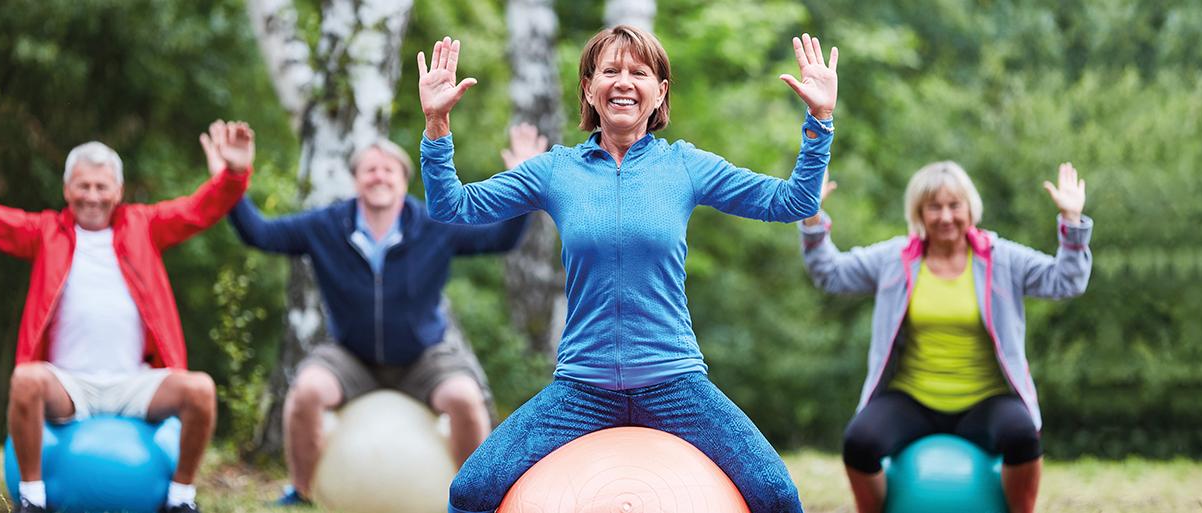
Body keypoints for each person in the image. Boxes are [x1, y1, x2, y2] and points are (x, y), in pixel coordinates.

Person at [417, 26, 839, 513]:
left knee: (776, 494)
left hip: (676, 383)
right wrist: (436, 125)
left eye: (639, 72)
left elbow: (794, 201)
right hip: (582, 389)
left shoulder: (684, 165)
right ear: (589, 89)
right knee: (469, 491)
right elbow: (452, 207)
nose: (623, 82)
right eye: (610, 70)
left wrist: (819, 119)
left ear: (659, 92)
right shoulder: (556, 171)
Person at [0, 100, 254, 513]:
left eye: (101, 187)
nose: (92, 196)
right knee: (25, 380)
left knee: (200, 390)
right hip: (70, 384)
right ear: (67, 190)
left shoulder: (145, 225)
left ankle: (181, 497)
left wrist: (234, 174)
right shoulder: (44, 232)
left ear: (118, 191)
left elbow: (201, 210)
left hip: (134, 383)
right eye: (83, 186)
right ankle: (32, 498)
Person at [219, 127, 546, 506]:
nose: (379, 176)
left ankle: (476, 501)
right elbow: (258, 233)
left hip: (422, 355)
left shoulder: (434, 225)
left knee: (465, 398)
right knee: (306, 392)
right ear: (355, 179)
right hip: (351, 355)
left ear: (404, 181)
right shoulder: (325, 226)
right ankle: (302, 493)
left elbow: (499, 239)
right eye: (370, 169)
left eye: (389, 170)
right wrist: (234, 176)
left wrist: (524, 181)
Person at [798, 162, 1091, 513]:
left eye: (955, 206)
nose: (946, 217)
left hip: (986, 400)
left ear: (970, 209)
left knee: (1023, 436)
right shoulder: (896, 259)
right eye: (934, 207)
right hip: (913, 399)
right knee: (859, 442)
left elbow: (1066, 281)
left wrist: (1072, 222)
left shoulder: (1002, 259)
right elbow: (830, 273)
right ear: (919, 213)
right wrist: (812, 218)